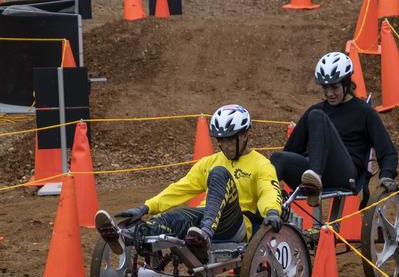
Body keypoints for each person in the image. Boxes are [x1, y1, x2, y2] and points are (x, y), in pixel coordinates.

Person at [94, 104, 283, 260]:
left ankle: (205, 236)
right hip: (204, 217)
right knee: (172, 217)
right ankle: (124, 235)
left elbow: (269, 190)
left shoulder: (261, 164)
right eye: (220, 141)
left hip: (236, 224)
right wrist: (146, 207)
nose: (223, 146)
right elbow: (181, 188)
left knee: (219, 174)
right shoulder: (210, 161)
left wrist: (272, 211)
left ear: (244, 135)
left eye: (228, 140)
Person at [271, 52, 399, 207]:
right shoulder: (316, 110)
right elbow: (291, 150)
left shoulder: (364, 112)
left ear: (346, 84)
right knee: (278, 158)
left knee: (317, 117)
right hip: (311, 170)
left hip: (344, 174)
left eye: (334, 87)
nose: (329, 93)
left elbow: (387, 151)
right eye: (325, 88)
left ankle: (314, 181)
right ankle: (265, 208)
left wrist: (386, 176)